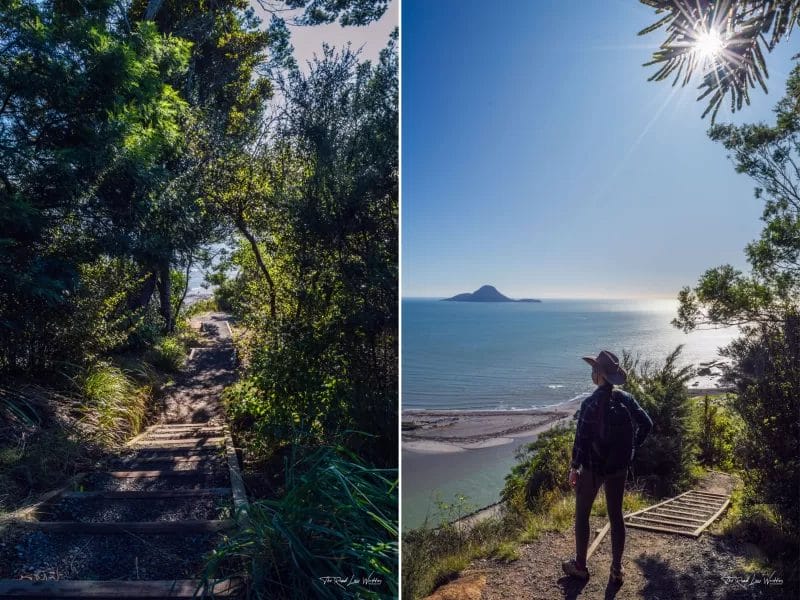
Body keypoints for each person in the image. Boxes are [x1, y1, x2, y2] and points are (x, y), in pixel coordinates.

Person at [561, 350, 652, 585]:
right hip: (619, 468)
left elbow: (581, 440)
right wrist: (631, 450)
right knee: (616, 516)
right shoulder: (626, 399)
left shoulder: (590, 403)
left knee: (582, 514)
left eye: (594, 370)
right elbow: (647, 424)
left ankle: (580, 566)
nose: (592, 373)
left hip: (592, 467)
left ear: (598, 374)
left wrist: (574, 467)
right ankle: (616, 569)